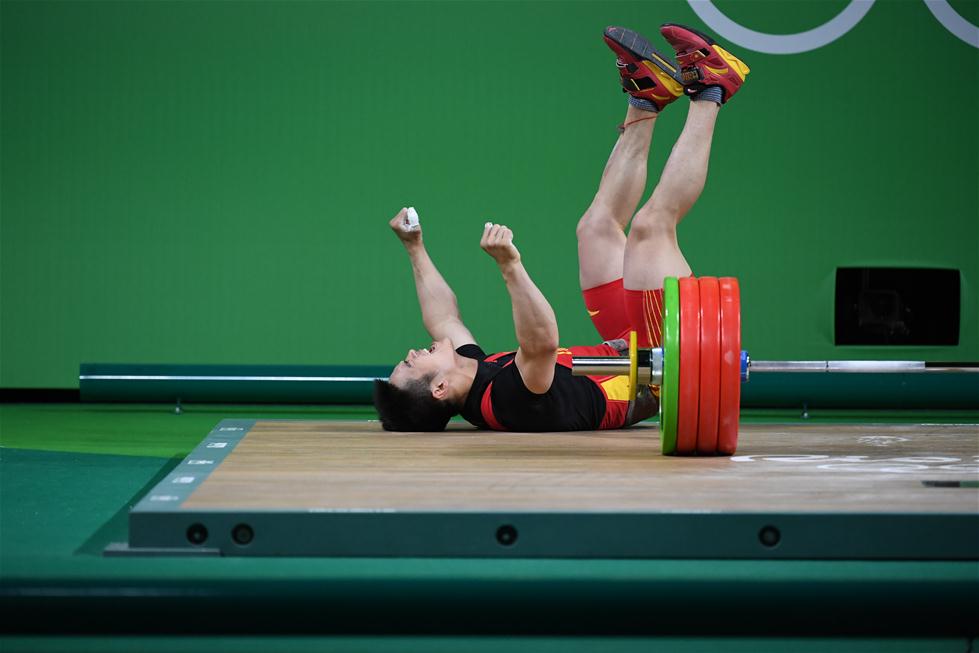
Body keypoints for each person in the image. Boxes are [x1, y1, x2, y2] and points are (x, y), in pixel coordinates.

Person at [373, 23, 749, 432]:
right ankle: (713, 90)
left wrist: (414, 246)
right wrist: (510, 267)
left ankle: (646, 98)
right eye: (410, 363)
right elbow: (542, 343)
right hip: (662, 374)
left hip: (627, 349)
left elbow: (444, 317)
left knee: (595, 228)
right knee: (650, 228)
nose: (411, 352)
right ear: (440, 388)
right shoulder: (505, 402)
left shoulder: (471, 373)